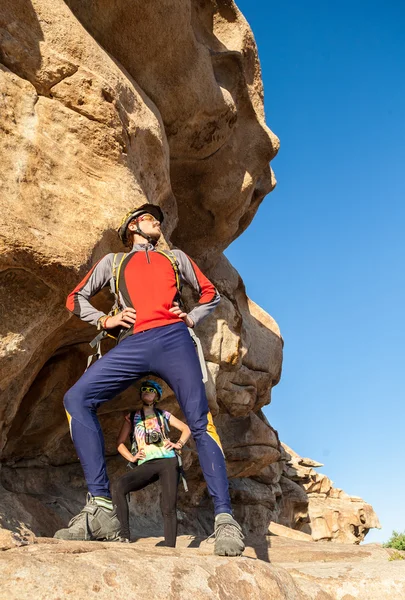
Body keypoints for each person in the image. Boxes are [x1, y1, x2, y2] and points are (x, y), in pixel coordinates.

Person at [54, 203, 244, 556]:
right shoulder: (113, 262)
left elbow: (211, 294)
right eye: (147, 218)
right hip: (134, 342)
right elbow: (74, 299)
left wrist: (190, 317)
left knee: (200, 421)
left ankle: (225, 520)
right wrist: (104, 320)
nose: (156, 221)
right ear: (132, 227)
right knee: (76, 399)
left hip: (174, 338)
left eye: (157, 218)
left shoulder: (176, 258)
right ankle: (101, 509)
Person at [112, 379, 190, 546]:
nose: (147, 392)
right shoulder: (132, 417)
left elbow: (186, 429)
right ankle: (124, 535)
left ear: (157, 395)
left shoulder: (164, 415)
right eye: (144, 389)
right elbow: (119, 443)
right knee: (119, 486)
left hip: (168, 461)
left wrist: (178, 444)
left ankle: (169, 546)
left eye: (151, 390)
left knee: (168, 506)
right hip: (147, 463)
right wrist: (131, 458)